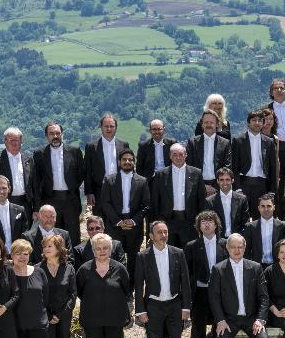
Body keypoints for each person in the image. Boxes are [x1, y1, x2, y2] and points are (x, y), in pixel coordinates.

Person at [134, 220, 192, 338]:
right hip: (153, 307)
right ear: (151, 236)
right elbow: (138, 285)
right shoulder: (143, 256)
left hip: (175, 305)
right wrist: (140, 310)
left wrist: (186, 308)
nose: (163, 235)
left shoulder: (178, 253)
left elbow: (185, 282)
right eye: (159, 232)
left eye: (165, 232)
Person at [210, 233, 271, 338]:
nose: (236, 250)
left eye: (240, 247)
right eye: (233, 247)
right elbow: (214, 298)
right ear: (227, 248)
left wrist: (260, 319)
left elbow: (264, 297)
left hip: (252, 318)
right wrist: (220, 320)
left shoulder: (255, 267)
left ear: (245, 248)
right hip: (229, 320)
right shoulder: (218, 269)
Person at [74, 233, 132, 338]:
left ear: (110, 249)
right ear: (93, 250)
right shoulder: (84, 270)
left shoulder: (120, 269)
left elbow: (126, 290)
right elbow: (79, 292)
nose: (102, 251)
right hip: (92, 319)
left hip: (115, 318)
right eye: (98, 248)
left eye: (105, 248)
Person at [185, 211, 228, 338]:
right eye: (203, 221)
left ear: (216, 224)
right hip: (200, 293)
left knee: (223, 325)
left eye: (210, 221)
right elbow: (187, 273)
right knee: (198, 328)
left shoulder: (226, 244)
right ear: (199, 226)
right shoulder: (191, 246)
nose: (207, 224)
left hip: (221, 293)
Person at [10, 238, 52, 338]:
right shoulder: (8, 273)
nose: (22, 257)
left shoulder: (39, 272)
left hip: (39, 325)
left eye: (25, 254)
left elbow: (45, 297)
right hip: (16, 326)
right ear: (12, 255)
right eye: (18, 253)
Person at [99, 147, 150, 280]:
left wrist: (133, 221)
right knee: (114, 258)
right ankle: (116, 286)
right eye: (124, 159)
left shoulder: (142, 181)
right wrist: (118, 221)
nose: (127, 162)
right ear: (119, 162)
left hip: (135, 226)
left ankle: (131, 289)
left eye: (130, 160)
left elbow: (146, 205)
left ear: (134, 162)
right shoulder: (109, 180)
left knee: (133, 259)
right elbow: (105, 202)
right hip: (114, 225)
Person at [31, 121, 85, 235]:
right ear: (46, 136)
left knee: (73, 235)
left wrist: (72, 188)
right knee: (52, 236)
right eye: (51, 134)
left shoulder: (74, 151)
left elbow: (81, 174)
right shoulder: (39, 154)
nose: (55, 136)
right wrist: (37, 206)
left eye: (57, 133)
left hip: (71, 200)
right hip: (50, 200)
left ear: (62, 134)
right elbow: (36, 181)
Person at [40, 233, 76, 338]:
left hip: (63, 317)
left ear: (59, 249)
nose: (46, 249)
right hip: (44, 317)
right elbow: (37, 295)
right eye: (45, 246)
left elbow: (72, 295)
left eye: (49, 246)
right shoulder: (38, 268)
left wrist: (60, 315)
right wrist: (48, 315)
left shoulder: (68, 268)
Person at [152, 142, 202, 250]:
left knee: (189, 255)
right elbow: (155, 201)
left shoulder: (196, 173)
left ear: (186, 155)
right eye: (174, 154)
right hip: (167, 222)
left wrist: (199, 223)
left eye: (181, 154)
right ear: (170, 156)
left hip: (189, 222)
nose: (178, 157)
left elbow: (201, 200)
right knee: (168, 254)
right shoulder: (160, 174)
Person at [0, 127, 34, 214]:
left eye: (16, 140)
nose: (14, 143)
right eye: (11, 140)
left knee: (25, 228)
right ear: (5, 142)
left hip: (26, 205)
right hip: (3, 204)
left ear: (21, 142)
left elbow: (34, 185)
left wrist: (35, 208)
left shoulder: (28, 160)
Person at [84, 113, 130, 214]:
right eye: (106, 126)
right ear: (101, 127)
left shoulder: (124, 144)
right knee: (100, 221)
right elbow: (87, 171)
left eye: (112, 126)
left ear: (116, 128)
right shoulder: (91, 146)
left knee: (119, 221)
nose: (109, 129)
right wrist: (89, 192)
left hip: (119, 189)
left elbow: (128, 167)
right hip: (99, 190)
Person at [231, 109, 278, 205]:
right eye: (254, 120)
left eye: (260, 120)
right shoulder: (238, 141)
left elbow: (273, 167)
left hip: (262, 185)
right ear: (248, 123)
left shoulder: (269, 142)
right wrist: (237, 188)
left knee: (260, 217)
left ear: (263, 123)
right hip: (244, 184)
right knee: (242, 218)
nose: (257, 123)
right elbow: (234, 166)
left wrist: (272, 190)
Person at [187, 109, 232, 196]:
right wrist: (202, 186)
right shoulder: (192, 143)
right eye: (206, 122)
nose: (209, 125)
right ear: (202, 125)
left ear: (217, 125)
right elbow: (189, 167)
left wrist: (216, 186)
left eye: (211, 122)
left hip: (219, 187)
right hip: (197, 187)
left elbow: (227, 167)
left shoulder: (225, 143)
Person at [243, 194, 285, 266]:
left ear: (274, 207)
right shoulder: (250, 227)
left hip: (278, 266)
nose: (266, 209)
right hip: (257, 267)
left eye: (269, 206)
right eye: (263, 206)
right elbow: (246, 251)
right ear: (258, 208)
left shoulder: (283, 226)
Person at [204, 167, 250, 239]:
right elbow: (209, 224)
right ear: (217, 181)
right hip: (218, 240)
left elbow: (245, 223)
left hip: (237, 240)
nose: (225, 183)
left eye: (227, 180)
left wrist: (239, 238)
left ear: (232, 180)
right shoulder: (209, 201)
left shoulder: (242, 199)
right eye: (221, 180)